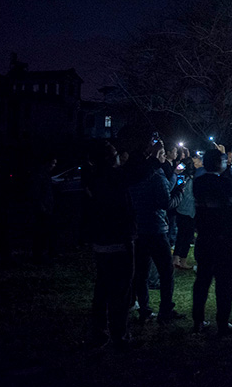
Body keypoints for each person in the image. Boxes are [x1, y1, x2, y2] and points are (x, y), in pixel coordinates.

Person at [85, 141, 137, 349]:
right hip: (118, 241)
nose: (119, 156)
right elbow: (135, 174)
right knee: (121, 291)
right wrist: (147, 155)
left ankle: (99, 332)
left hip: (101, 241)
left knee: (103, 289)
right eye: (115, 153)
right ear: (108, 158)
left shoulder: (94, 178)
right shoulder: (113, 178)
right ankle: (119, 335)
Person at [129, 137, 184, 322]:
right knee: (166, 272)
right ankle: (165, 310)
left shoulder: (134, 175)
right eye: (161, 153)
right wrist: (179, 191)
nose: (164, 157)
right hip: (156, 229)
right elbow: (165, 202)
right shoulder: (156, 176)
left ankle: (144, 310)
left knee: (141, 273)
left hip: (139, 229)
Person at [189, 147, 232, 335]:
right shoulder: (224, 183)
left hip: (204, 236)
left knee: (202, 281)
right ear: (219, 163)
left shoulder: (198, 182)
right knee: (224, 283)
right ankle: (222, 322)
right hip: (222, 238)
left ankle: (198, 321)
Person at [172, 153, 200, 270]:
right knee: (186, 236)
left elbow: (178, 188)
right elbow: (190, 194)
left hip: (182, 209)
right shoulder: (189, 179)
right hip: (188, 211)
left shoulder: (181, 177)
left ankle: (177, 259)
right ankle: (181, 260)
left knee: (182, 235)